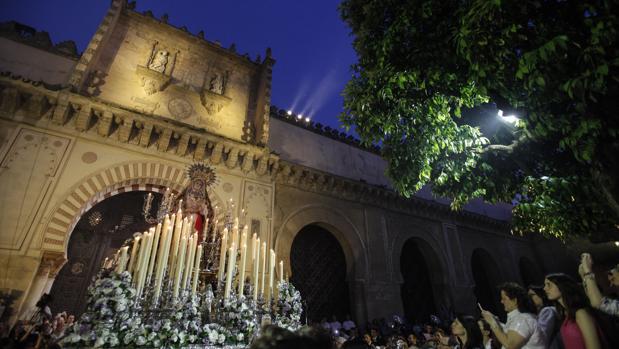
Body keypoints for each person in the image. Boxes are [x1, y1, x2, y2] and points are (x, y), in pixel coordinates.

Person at [544, 273, 606, 349]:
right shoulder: (566, 315)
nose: (545, 288)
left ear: (562, 286)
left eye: (549, 284)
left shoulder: (581, 313)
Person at [480, 282, 545, 349]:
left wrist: (493, 322)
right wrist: (495, 321)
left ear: (514, 300)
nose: (501, 301)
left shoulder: (524, 319)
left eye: (504, 298)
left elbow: (510, 346)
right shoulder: (517, 319)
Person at [528, 285, 562, 349]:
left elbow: (541, 337)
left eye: (531, 295)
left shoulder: (548, 311)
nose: (529, 299)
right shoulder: (538, 314)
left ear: (541, 295)